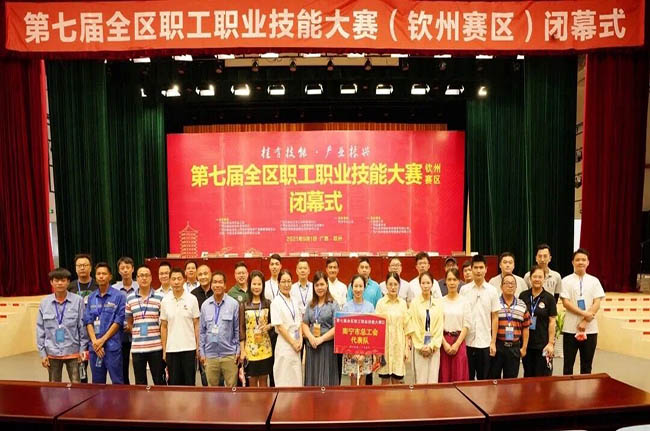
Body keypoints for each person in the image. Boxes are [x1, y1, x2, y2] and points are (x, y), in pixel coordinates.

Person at [37, 268, 88, 383]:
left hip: (73, 352)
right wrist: (43, 354)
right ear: (51, 282)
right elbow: (40, 329)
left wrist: (82, 350)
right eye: (56, 280)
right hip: (52, 352)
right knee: (54, 387)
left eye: (63, 280)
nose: (60, 283)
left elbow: (82, 328)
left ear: (68, 282)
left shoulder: (78, 301)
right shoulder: (44, 303)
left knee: (76, 385)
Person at [561, 248, 605, 375]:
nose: (580, 262)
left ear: (588, 262)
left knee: (587, 365)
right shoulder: (566, 280)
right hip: (570, 328)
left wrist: (585, 321)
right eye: (578, 260)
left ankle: (585, 388)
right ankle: (567, 388)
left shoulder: (594, 281)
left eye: (583, 260)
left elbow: (597, 303)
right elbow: (566, 303)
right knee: (568, 365)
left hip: (590, 329)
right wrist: (585, 314)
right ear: (572, 262)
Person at [83, 262, 125, 384]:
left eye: (104, 274)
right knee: (97, 383)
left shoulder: (119, 296)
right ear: (95, 276)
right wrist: (95, 342)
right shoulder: (91, 297)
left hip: (112, 347)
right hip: (95, 348)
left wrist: (102, 340)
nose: (101, 276)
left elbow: (118, 321)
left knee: (117, 382)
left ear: (110, 276)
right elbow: (88, 321)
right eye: (98, 274)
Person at [460, 254, 500, 380]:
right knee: (467, 379)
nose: (478, 271)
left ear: (486, 269)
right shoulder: (464, 290)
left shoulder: (492, 291)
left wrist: (493, 342)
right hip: (467, 342)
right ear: (471, 269)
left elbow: (495, 317)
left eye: (481, 267)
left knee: (483, 380)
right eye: (476, 267)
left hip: (485, 343)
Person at [199, 271, 241, 387]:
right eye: (215, 282)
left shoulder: (233, 304)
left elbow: (237, 329)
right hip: (210, 355)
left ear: (225, 285)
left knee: (232, 391)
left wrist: (237, 350)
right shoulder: (205, 305)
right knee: (213, 392)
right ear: (211, 285)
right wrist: (202, 352)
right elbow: (202, 331)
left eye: (220, 282)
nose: (217, 285)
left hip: (229, 354)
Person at [126, 266, 165, 385]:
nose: (144, 278)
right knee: (140, 383)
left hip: (156, 347)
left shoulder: (160, 297)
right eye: (141, 275)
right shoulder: (130, 298)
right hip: (137, 348)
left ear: (151, 278)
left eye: (146, 275)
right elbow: (129, 322)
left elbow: (164, 323)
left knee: (159, 381)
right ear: (137, 279)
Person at [161, 268, 200, 386]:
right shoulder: (165, 300)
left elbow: (196, 324)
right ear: (170, 281)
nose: (176, 282)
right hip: (172, 349)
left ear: (184, 280)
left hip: (189, 348)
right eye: (173, 279)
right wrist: (164, 350)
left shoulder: (192, 299)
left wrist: (197, 346)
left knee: (189, 383)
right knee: (174, 385)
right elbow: (164, 327)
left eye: (179, 279)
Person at [489, 274, 530, 379]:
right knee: (494, 379)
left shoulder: (522, 305)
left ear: (516, 287)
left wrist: (524, 347)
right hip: (498, 346)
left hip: (514, 348)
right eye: (507, 283)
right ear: (501, 286)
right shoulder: (495, 303)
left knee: (511, 382)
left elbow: (526, 327)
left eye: (512, 283)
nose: (510, 286)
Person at [302, 271, 339, 386]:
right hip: (312, 347)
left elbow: (337, 327)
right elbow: (304, 324)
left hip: (327, 347)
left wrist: (321, 339)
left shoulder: (333, 304)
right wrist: (310, 337)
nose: (319, 288)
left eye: (322, 284)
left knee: (326, 380)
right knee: (312, 380)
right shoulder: (311, 304)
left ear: (327, 285)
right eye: (317, 285)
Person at [520, 265, 557, 377]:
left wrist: (550, 343)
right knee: (528, 375)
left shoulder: (549, 298)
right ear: (530, 278)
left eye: (540, 277)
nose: (537, 279)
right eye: (534, 276)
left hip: (543, 344)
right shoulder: (523, 296)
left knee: (543, 376)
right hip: (527, 344)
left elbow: (552, 321)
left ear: (544, 279)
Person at [375, 272, 411, 385]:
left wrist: (407, 349)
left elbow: (407, 327)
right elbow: (377, 328)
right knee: (384, 381)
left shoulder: (403, 303)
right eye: (390, 284)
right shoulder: (380, 303)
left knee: (397, 380)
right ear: (386, 285)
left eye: (395, 284)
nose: (393, 287)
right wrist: (377, 351)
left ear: (399, 285)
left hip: (398, 347)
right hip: (384, 348)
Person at [408, 271, 443, 384]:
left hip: (434, 348)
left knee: (433, 380)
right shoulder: (414, 303)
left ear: (432, 284)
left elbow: (439, 326)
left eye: (428, 283)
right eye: (423, 283)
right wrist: (420, 346)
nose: (426, 286)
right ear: (420, 284)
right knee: (420, 381)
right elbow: (413, 325)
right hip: (419, 347)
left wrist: (432, 346)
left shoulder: (438, 304)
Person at [240, 270, 273, 387]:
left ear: (263, 286)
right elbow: (242, 328)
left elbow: (273, 324)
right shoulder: (244, 305)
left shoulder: (268, 303)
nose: (256, 287)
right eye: (254, 284)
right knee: (252, 382)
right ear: (249, 285)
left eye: (259, 284)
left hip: (265, 348)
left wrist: (268, 326)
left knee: (264, 381)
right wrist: (242, 350)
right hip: (250, 350)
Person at [271, 269, 303, 387]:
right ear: (278, 283)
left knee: (296, 377)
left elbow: (299, 321)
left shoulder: (294, 300)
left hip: (297, 343)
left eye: (289, 281)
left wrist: (300, 340)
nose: (286, 284)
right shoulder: (276, 302)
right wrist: (293, 343)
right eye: (283, 281)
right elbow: (279, 327)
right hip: (285, 343)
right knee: (284, 377)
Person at [342, 274, 375, 385]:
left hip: (366, 352)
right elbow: (344, 333)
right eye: (355, 286)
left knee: (363, 382)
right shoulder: (346, 307)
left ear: (364, 288)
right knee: (352, 383)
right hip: (350, 352)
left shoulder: (370, 307)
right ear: (351, 288)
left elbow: (373, 333)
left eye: (360, 286)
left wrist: (364, 354)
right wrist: (353, 354)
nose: (358, 289)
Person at [67, 253, 95, 382]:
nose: (82, 268)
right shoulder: (70, 287)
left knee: (98, 369)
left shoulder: (97, 285)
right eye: (79, 265)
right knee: (80, 369)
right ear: (75, 268)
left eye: (85, 265)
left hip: (95, 333)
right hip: (77, 335)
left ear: (90, 267)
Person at [439, 268, 471, 383]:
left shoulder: (465, 301)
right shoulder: (440, 302)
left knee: (459, 376)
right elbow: (437, 325)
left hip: (459, 342)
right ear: (445, 282)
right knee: (444, 377)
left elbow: (466, 325)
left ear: (459, 281)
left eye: (454, 279)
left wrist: (457, 344)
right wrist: (445, 344)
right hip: (444, 342)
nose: (452, 282)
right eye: (449, 280)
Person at [112, 256, 138, 385]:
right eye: (122, 268)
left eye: (128, 267)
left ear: (133, 269)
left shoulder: (140, 286)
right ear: (119, 271)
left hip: (138, 331)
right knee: (122, 364)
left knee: (139, 364)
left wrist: (132, 325)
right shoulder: (114, 289)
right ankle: (125, 389)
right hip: (120, 332)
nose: (125, 270)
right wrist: (123, 324)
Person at [191, 264, 213, 386]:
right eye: (200, 274)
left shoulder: (217, 290)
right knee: (205, 377)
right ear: (196, 277)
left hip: (217, 342)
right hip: (202, 341)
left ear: (210, 274)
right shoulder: (192, 295)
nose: (203, 276)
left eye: (206, 273)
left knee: (218, 379)